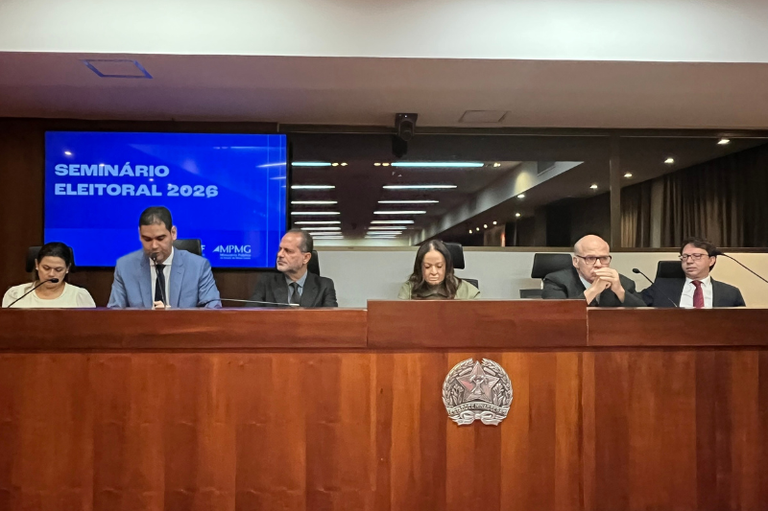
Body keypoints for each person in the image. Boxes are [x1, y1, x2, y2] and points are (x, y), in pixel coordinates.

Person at [107, 206, 221, 309]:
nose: (154, 246)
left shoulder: (198, 267)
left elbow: (213, 310)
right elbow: (114, 313)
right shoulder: (125, 266)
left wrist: (172, 315)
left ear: (173, 233)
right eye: (147, 239)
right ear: (139, 235)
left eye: (160, 238)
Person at [542, 234, 645, 307]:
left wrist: (620, 291)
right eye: (590, 258)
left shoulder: (624, 283)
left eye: (604, 258)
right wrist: (593, 290)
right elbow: (556, 314)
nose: (599, 265)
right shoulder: (556, 281)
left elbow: (645, 316)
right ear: (576, 262)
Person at [642, 237, 745, 308]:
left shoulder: (731, 293)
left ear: (711, 260)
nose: (689, 261)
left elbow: (743, 324)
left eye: (697, 256)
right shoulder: (661, 288)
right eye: (685, 257)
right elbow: (636, 303)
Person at [248, 229, 338, 307]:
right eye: (280, 249)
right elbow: (248, 316)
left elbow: (331, 321)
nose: (280, 255)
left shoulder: (324, 286)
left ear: (306, 258)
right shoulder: (266, 283)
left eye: (288, 251)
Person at [2, 242, 96, 308]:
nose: (51, 274)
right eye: (46, 268)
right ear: (37, 265)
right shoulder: (16, 294)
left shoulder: (79, 296)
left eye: (58, 269)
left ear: (67, 268)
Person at [398, 239, 480, 300]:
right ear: (420, 268)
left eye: (439, 266)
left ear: (447, 267)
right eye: (427, 267)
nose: (434, 272)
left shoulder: (467, 291)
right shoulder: (409, 289)